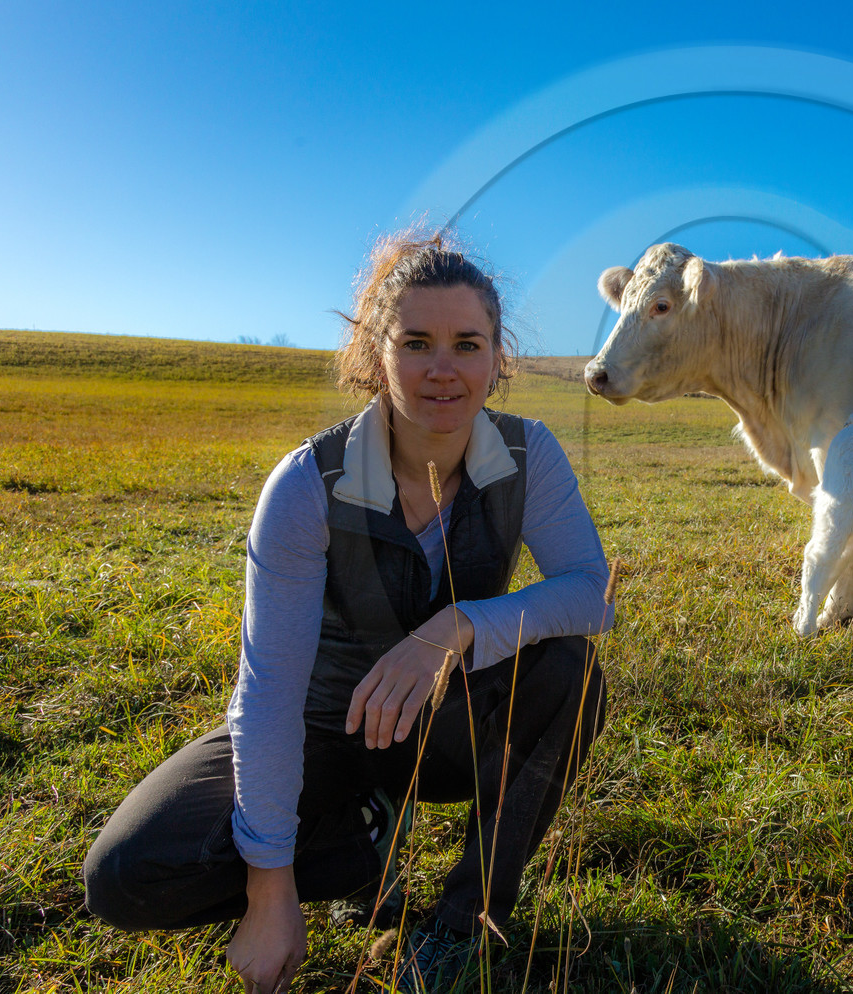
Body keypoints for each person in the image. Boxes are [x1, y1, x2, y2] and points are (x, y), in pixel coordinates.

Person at [83, 232, 611, 993]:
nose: (443, 367)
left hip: (443, 729)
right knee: (127, 875)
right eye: (416, 342)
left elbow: (590, 591)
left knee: (569, 669)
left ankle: (468, 919)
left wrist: (458, 626)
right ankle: (362, 844)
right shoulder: (305, 483)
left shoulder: (530, 456)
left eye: (467, 343)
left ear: (499, 357)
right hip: (320, 733)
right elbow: (266, 694)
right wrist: (270, 888)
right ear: (376, 354)